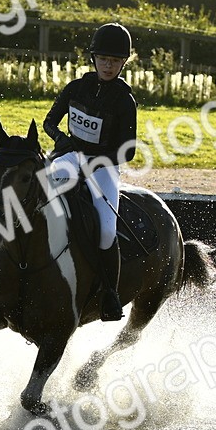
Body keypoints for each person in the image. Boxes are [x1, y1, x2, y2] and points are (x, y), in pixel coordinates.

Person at [42, 22, 138, 322]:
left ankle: (110, 294)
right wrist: (63, 142)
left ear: (123, 63)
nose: (108, 66)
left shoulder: (124, 100)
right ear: (93, 58)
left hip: (103, 167)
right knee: (32, 195)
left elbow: (129, 150)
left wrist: (93, 160)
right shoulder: (76, 88)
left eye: (115, 61)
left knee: (107, 230)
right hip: (68, 157)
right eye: (103, 59)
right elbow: (49, 123)